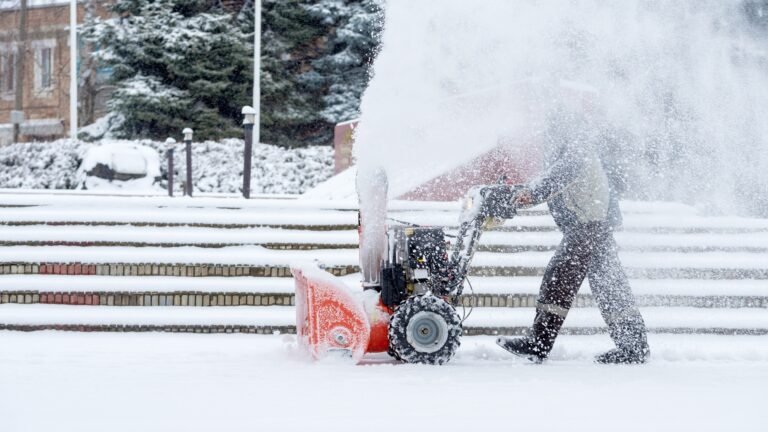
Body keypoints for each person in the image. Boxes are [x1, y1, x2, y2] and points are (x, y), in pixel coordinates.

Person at [495, 111, 650, 364]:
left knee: (558, 281)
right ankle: (634, 346)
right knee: (609, 287)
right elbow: (555, 176)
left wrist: (530, 195)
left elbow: (557, 177)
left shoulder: (576, 150)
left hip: (587, 228)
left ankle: (538, 343)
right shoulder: (576, 149)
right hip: (595, 227)